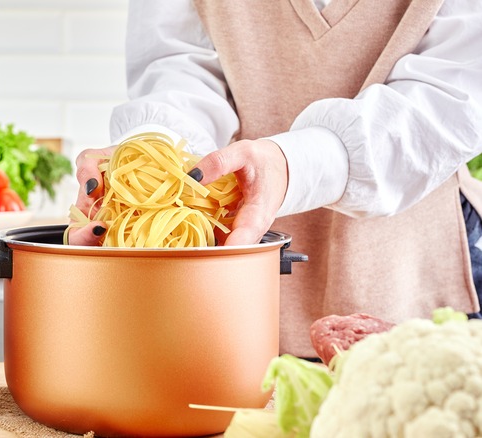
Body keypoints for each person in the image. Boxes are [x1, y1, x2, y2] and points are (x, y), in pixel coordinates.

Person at [68, 0, 482, 357]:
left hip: (413, 262)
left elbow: (456, 92)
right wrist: (151, 150)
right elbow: (177, 61)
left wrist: (295, 165)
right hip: (231, 273)